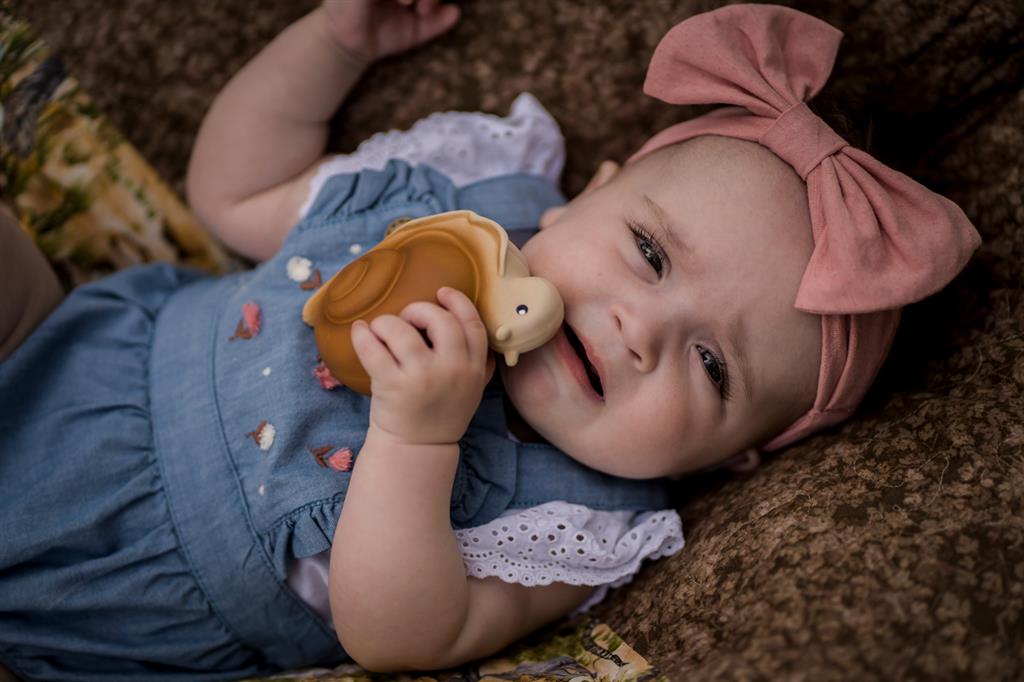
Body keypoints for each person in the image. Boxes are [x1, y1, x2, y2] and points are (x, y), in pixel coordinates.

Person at [0, 1, 980, 680]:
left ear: (737, 458)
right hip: (59, 345)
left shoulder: (578, 522)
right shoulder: (464, 196)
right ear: (583, 194)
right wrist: (332, 42)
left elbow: (395, 634)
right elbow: (232, 196)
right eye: (646, 250)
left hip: (95, 583)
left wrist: (415, 440)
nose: (639, 329)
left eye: (712, 364)